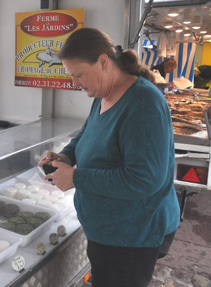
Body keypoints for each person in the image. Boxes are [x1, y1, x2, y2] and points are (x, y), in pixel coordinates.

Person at [39, 28, 180, 287]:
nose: (74, 83)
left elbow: (143, 179)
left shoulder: (143, 103)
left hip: (130, 238)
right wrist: (66, 156)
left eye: (78, 74)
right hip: (107, 232)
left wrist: (76, 178)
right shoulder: (103, 94)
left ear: (104, 63)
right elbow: (87, 133)